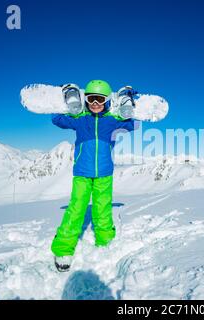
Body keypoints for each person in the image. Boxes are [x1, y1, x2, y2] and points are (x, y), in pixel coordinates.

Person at [50, 80, 138, 272]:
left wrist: (127, 102)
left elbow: (134, 124)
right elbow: (56, 120)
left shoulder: (111, 120)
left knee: (102, 208)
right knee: (76, 208)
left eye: (99, 99)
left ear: (107, 100)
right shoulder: (81, 119)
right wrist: (71, 104)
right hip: (82, 172)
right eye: (91, 99)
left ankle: (105, 240)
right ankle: (63, 248)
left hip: (104, 174)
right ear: (85, 100)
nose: (95, 103)